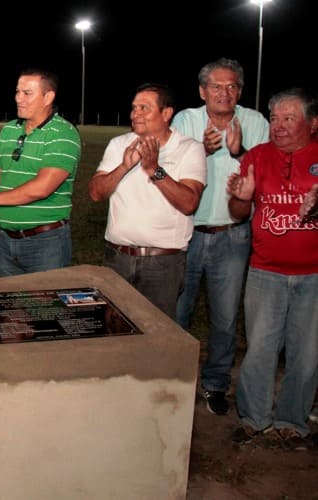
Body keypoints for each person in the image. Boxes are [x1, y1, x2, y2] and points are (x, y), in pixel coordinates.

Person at [172, 58, 270, 416]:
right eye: (216, 86)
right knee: (177, 314)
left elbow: (267, 169)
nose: (224, 93)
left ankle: (215, 384)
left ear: (240, 91)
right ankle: (177, 385)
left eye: (231, 87)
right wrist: (204, 149)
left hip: (232, 235)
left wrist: (239, 152)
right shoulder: (186, 120)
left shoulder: (256, 122)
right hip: (187, 233)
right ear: (202, 91)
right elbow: (169, 167)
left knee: (225, 319)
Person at [227, 88, 318, 451]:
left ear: (313, 123)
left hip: (313, 275)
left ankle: (293, 422)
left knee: (307, 352)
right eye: (274, 118)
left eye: (288, 118)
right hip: (265, 271)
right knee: (260, 348)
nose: (277, 126)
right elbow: (238, 214)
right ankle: (254, 418)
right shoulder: (256, 157)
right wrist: (242, 198)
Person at [88, 83, 206, 319]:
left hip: (162, 265)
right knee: (114, 330)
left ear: (166, 113)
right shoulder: (119, 144)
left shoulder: (189, 149)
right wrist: (124, 166)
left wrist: (155, 169)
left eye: (144, 107)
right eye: (134, 108)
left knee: (156, 335)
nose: (135, 114)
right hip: (117, 259)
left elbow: (189, 202)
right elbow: (96, 193)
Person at [0, 68, 81, 275]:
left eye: (27, 93)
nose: (18, 99)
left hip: (46, 242)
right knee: (9, 304)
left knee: (43, 306)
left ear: (48, 97)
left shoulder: (63, 134)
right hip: (5, 241)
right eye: (17, 92)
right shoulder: (9, 130)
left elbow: (42, 188)